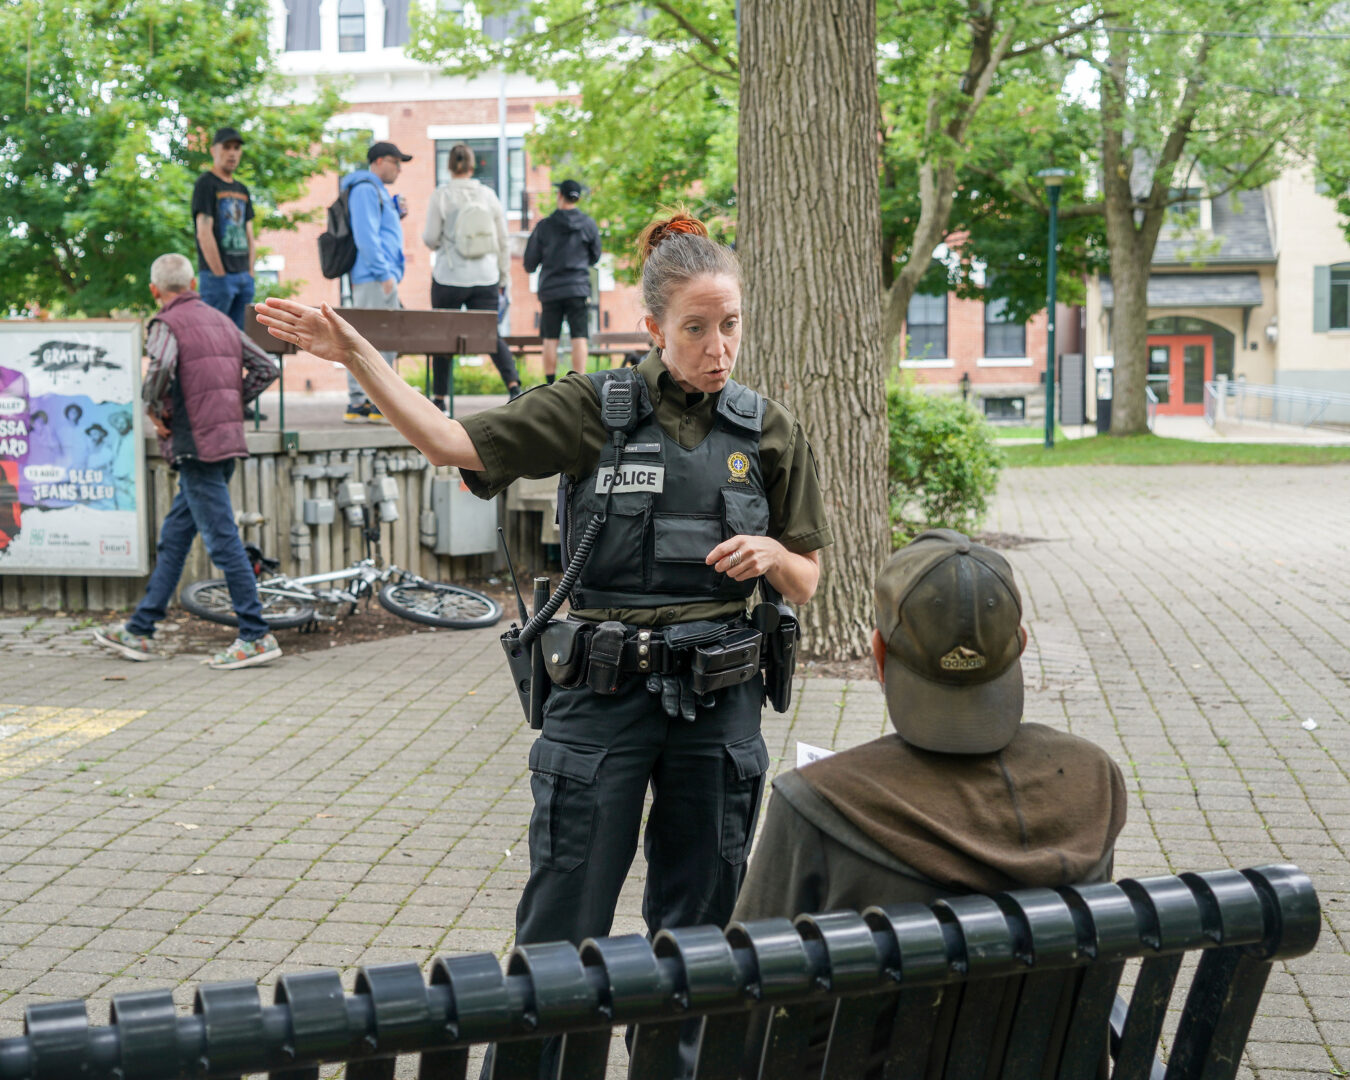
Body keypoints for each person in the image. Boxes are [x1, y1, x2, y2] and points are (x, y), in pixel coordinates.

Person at [256, 209, 833, 1074]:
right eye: (697, 329)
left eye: (732, 325)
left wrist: (775, 555)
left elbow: (810, 576)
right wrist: (359, 359)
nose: (719, 348)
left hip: (719, 708)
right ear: (653, 327)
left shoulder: (769, 430)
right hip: (600, 703)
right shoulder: (592, 409)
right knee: (562, 931)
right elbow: (451, 441)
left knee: (699, 937)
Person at [732, 529, 1128, 922]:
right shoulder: (1094, 779)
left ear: (879, 653)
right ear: (1021, 644)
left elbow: (748, 971)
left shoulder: (815, 804)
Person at [94, 253, 281, 670]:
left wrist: (154, 410)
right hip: (225, 439)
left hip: (195, 443)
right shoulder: (220, 320)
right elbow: (265, 368)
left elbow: (160, 365)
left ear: (154, 290)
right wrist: (231, 403)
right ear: (193, 281)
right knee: (176, 537)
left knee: (222, 541)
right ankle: (140, 630)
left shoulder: (167, 323)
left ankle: (255, 634)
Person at [422, 142, 521, 410]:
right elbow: (502, 240)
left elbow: (430, 239)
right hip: (485, 276)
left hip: (449, 276)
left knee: (444, 335)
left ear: (449, 166)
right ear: (472, 165)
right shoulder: (488, 196)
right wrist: (503, 279)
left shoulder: (441, 195)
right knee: (490, 333)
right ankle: (514, 385)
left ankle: (440, 398)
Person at [341, 141, 412, 424]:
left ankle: (370, 401)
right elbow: (366, 237)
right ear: (380, 161)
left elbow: (379, 232)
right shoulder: (365, 190)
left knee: (380, 339)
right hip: (374, 278)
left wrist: (396, 212)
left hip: (377, 277)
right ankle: (365, 402)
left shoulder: (376, 192)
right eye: (396, 162)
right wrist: (384, 275)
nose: (399, 169)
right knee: (374, 340)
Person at [523, 178, 601, 382]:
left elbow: (529, 263)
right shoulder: (588, 225)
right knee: (579, 337)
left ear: (559, 196)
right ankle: (580, 384)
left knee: (550, 338)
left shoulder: (545, 226)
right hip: (578, 289)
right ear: (578, 198)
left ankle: (549, 384)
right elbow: (596, 256)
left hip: (551, 290)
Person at [192, 126, 256, 330]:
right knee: (213, 337)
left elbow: (249, 234)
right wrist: (219, 274)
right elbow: (204, 232)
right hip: (217, 278)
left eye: (237, 148)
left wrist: (250, 273)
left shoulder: (242, 189)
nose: (232, 153)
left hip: (243, 277)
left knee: (240, 341)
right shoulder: (206, 184)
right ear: (213, 150)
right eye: (227, 147)